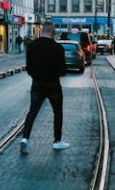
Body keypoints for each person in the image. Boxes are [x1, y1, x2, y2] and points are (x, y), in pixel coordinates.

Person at [19, 21, 69, 154]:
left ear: (41, 31)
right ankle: (57, 141)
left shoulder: (32, 46)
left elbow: (28, 67)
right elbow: (62, 70)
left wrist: (36, 75)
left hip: (37, 84)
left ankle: (25, 138)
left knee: (32, 112)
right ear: (52, 32)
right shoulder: (57, 48)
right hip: (53, 85)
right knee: (57, 113)